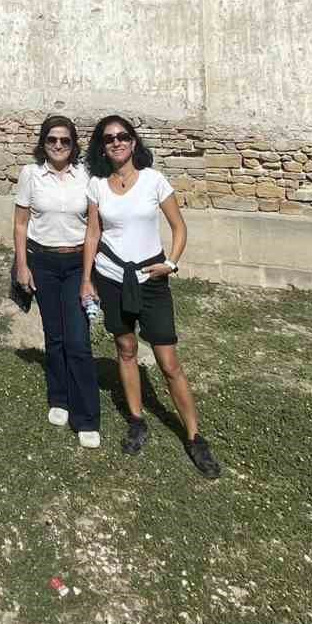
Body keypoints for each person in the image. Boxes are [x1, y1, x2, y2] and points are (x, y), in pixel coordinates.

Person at [80, 115, 222, 477]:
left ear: (133, 141)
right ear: (102, 145)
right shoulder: (97, 185)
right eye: (109, 138)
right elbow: (93, 235)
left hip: (151, 280)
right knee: (125, 350)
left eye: (123, 136)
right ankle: (137, 419)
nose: (116, 142)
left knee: (168, 362)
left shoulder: (154, 180)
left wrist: (171, 264)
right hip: (111, 278)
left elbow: (179, 227)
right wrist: (87, 279)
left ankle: (194, 437)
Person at [12, 114, 100, 448]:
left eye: (65, 140)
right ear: (43, 143)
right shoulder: (31, 174)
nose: (58, 146)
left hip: (78, 262)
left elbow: (94, 226)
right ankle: (59, 398)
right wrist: (22, 265)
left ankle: (87, 416)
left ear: (73, 143)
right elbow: (21, 223)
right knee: (55, 336)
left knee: (78, 340)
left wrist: (90, 274)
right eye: (52, 140)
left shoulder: (87, 175)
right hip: (43, 261)